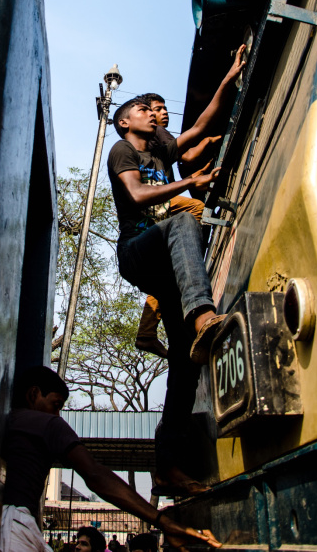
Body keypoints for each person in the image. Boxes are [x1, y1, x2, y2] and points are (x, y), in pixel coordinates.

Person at [107, 47, 245, 496]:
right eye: (143, 109)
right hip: (137, 253)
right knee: (183, 217)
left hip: (169, 266)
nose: (152, 114)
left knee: (186, 364)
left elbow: (203, 124)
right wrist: (188, 183)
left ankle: (167, 468)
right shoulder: (122, 150)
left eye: (152, 109)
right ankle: (203, 314)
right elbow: (138, 195)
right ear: (125, 121)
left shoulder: (162, 147)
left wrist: (230, 76)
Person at [0, 365, 221, 552]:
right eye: (55, 405)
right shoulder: (48, 425)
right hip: (15, 526)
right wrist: (164, 522)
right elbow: (96, 475)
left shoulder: (5, 424)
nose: (57, 415)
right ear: (33, 395)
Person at [134, 93, 221, 359]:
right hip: (160, 200)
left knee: (169, 272)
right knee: (197, 211)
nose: (163, 114)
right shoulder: (158, 132)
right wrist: (209, 140)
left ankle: (146, 332)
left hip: (160, 202)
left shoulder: (157, 138)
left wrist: (196, 175)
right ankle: (189, 252)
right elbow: (190, 154)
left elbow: (183, 166)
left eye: (164, 109)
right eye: (157, 109)